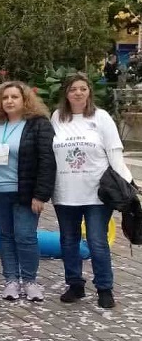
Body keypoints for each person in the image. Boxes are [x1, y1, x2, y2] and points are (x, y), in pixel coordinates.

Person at [51, 73, 127, 309]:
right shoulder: (57, 117)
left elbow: (114, 152)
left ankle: (104, 287)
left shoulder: (101, 117)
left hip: (97, 192)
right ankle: (75, 284)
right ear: (66, 93)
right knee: (68, 241)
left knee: (97, 241)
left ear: (89, 92)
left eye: (83, 88)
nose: (78, 93)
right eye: (73, 89)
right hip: (65, 192)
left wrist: (127, 183)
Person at [0, 81, 55, 303]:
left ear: (25, 100)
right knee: (5, 236)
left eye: (14, 97)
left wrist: (40, 195)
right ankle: (11, 280)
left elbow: (47, 161)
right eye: (5, 97)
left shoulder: (38, 124)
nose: (9, 101)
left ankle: (30, 281)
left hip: (24, 191)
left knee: (25, 236)